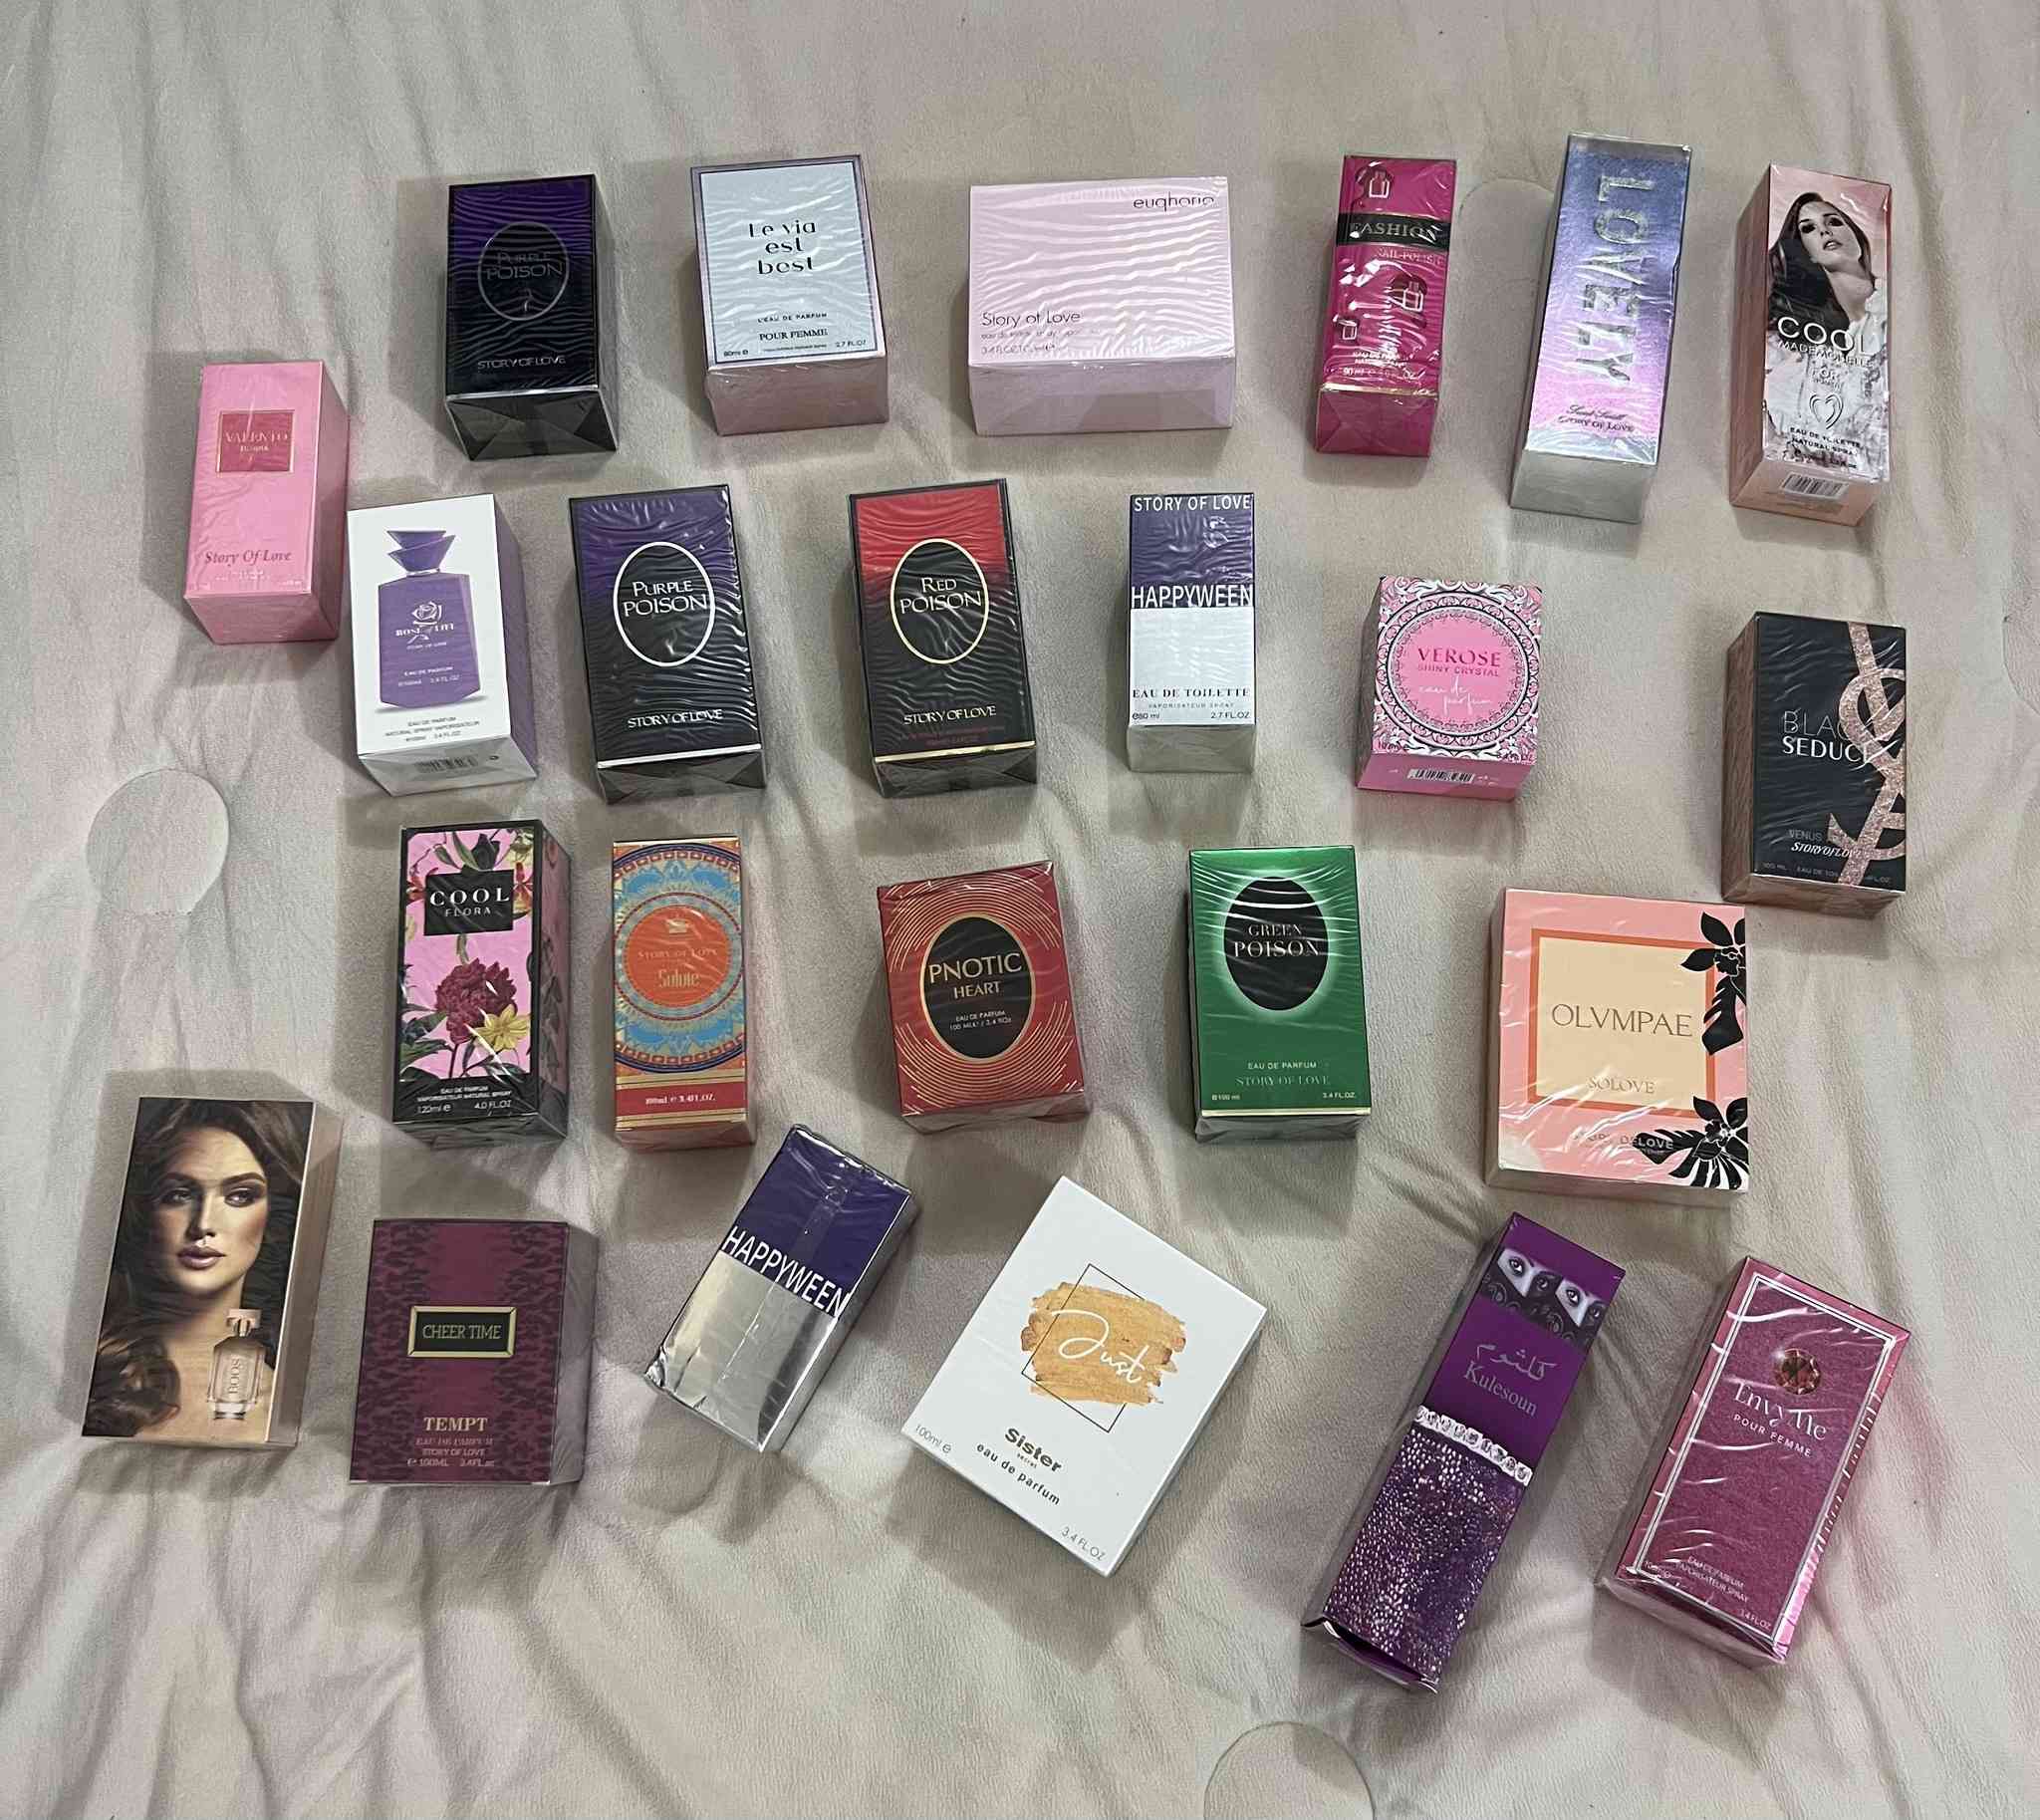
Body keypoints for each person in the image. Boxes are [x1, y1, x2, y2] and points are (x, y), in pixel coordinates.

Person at [85, 1099, 307, 1440]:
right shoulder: (91, 1368)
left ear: (273, 1215)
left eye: (240, 1196)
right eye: (178, 1195)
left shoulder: (285, 1408)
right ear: (144, 1211)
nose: (203, 1225)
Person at [1763, 191, 1889, 472]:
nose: (1824, 230)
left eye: (1834, 221)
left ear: (1856, 235)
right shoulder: (1802, 350)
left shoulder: (1892, 307)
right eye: (1808, 228)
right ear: (1806, 252)